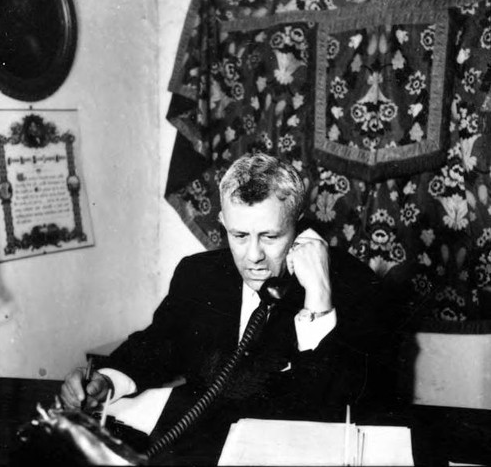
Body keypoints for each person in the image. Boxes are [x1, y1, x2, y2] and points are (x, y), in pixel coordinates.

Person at [60, 152, 396, 463]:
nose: (253, 256)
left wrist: (319, 301)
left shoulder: (351, 282)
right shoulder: (199, 274)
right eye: (239, 235)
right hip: (202, 445)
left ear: (299, 225)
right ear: (222, 222)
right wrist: (107, 380)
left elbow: (345, 405)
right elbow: (157, 344)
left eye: (270, 237)